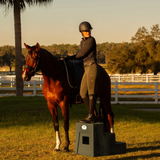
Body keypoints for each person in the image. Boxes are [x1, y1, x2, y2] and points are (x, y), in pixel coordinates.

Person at [67, 21, 98, 123]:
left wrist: (70, 58)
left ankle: (90, 115)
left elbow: (83, 53)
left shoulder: (91, 40)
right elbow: (81, 54)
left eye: (88, 30)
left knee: (91, 92)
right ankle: (92, 114)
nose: (88, 32)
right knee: (82, 93)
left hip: (92, 66)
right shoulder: (82, 42)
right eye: (85, 31)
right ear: (81, 32)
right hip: (85, 67)